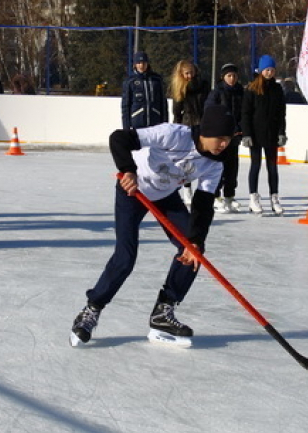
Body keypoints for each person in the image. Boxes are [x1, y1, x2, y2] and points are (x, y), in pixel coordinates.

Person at [70, 104, 235, 347]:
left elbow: (203, 204)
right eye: (220, 138)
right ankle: (92, 309)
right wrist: (128, 170)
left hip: (166, 198)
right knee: (125, 257)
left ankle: (163, 311)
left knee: (192, 252)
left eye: (228, 139)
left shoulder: (215, 165)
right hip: (133, 192)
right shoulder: (173, 134)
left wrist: (195, 240)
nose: (224, 145)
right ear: (206, 132)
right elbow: (119, 138)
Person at [241, 54, 287, 215]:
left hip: (272, 135)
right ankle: (253, 198)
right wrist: (246, 134)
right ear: (261, 71)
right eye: (267, 69)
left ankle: (274, 198)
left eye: (272, 70)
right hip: (255, 135)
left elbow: (281, 113)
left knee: (272, 168)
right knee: (255, 166)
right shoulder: (252, 89)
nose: (270, 72)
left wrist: (282, 132)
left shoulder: (277, 89)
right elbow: (245, 114)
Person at [205, 63, 243, 213]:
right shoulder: (216, 93)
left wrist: (240, 129)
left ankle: (229, 196)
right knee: (218, 167)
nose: (232, 78)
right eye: (229, 75)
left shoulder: (241, 92)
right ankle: (216, 196)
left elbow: (244, 113)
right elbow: (210, 112)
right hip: (220, 137)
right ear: (223, 77)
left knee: (232, 168)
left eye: (234, 75)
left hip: (234, 137)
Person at [169, 59, 208, 206]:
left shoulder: (203, 85)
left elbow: (208, 104)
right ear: (181, 74)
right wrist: (176, 130)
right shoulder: (180, 87)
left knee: (203, 159)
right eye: (186, 73)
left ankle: (204, 190)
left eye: (191, 72)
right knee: (187, 160)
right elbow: (177, 112)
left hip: (202, 125)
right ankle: (187, 189)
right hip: (187, 125)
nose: (190, 76)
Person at [121, 50, 167, 130]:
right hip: (137, 123)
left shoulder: (156, 79)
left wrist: (165, 123)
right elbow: (125, 105)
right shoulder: (130, 81)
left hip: (155, 123)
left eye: (144, 62)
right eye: (139, 63)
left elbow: (163, 102)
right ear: (135, 64)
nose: (141, 65)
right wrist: (126, 127)